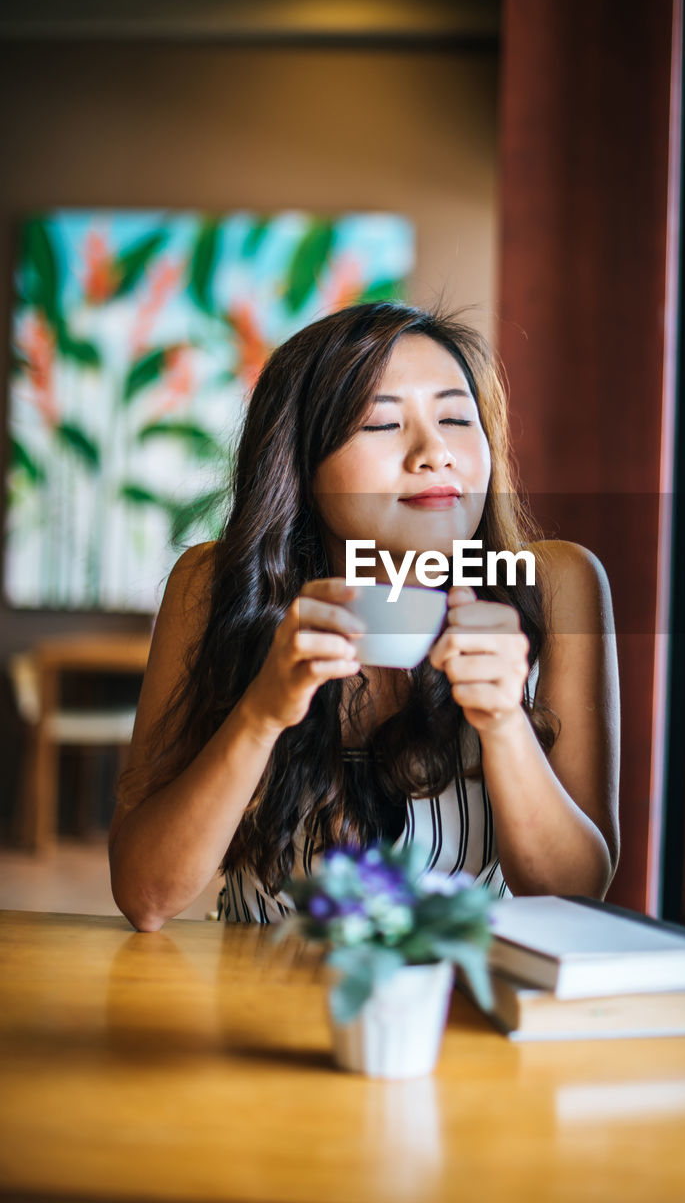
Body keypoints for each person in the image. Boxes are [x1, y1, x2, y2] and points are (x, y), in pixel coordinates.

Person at [109, 302, 619, 931]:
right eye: (382, 425)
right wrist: (263, 712)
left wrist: (503, 721)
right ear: (301, 463)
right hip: (255, 1001)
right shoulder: (214, 585)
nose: (436, 453)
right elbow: (146, 895)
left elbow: (575, 894)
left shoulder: (553, 585)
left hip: (462, 1004)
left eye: (457, 418)